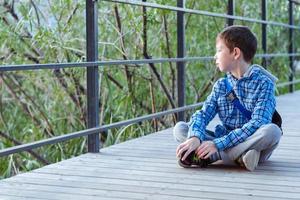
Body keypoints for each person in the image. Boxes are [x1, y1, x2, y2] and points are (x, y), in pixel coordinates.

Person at [174, 25, 282, 171]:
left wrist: (217, 145)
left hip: (252, 141)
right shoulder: (221, 86)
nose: (215, 56)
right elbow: (203, 114)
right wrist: (195, 137)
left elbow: (258, 123)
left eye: (219, 50)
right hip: (228, 140)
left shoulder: (264, 84)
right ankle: (241, 157)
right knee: (180, 129)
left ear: (235, 53)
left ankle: (214, 156)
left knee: (272, 131)